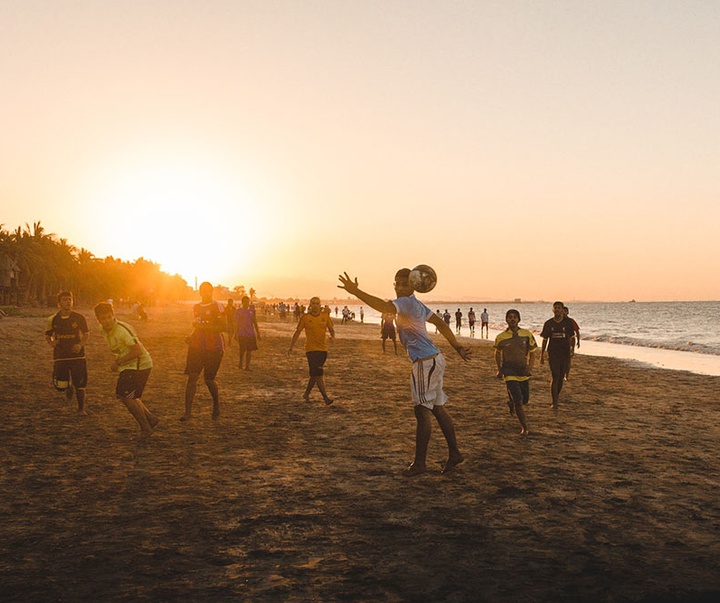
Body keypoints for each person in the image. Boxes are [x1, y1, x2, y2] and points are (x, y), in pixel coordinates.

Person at [338, 269, 471, 477]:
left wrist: (356, 292)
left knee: (422, 411)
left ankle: (420, 464)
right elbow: (440, 323)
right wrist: (457, 347)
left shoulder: (408, 303)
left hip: (425, 363)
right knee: (437, 409)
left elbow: (383, 306)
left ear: (414, 285)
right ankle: (454, 454)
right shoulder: (416, 304)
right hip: (435, 360)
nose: (400, 287)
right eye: (397, 284)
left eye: (404, 284)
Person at [94, 302, 158, 436]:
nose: (107, 321)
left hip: (140, 365)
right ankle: (150, 418)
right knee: (126, 395)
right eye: (103, 318)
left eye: (108, 317)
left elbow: (138, 350)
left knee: (126, 396)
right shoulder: (102, 328)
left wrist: (117, 362)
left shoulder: (122, 330)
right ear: (98, 319)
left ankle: (146, 428)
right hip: (128, 365)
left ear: (113, 315)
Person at [181, 282, 226, 421]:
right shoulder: (196, 307)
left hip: (214, 348)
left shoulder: (217, 306)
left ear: (212, 292)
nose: (206, 293)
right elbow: (197, 325)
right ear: (200, 292)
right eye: (203, 291)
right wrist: (191, 335)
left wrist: (202, 327)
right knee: (192, 378)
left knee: (209, 379)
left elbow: (223, 327)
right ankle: (188, 412)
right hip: (196, 347)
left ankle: (216, 405)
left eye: (208, 291)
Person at [494, 309, 537, 436]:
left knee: (525, 400)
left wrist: (530, 367)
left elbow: (532, 352)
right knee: (519, 401)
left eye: (515, 317)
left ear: (519, 319)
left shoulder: (527, 334)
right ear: (506, 320)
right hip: (509, 372)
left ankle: (511, 402)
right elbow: (496, 352)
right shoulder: (501, 337)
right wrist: (499, 369)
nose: (512, 319)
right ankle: (524, 427)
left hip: (523, 371)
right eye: (510, 317)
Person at [45, 291, 89, 414]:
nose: (68, 302)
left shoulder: (79, 318)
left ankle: (81, 409)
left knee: (80, 384)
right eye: (65, 300)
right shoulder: (53, 319)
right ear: (59, 303)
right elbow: (48, 336)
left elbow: (86, 334)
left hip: (77, 356)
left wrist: (80, 345)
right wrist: (52, 343)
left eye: (70, 299)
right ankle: (68, 385)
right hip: (60, 356)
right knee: (60, 386)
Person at [288, 297, 335, 405]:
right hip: (311, 350)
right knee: (318, 374)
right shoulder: (305, 318)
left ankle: (306, 393)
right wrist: (291, 346)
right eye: (313, 303)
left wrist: (333, 337)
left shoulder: (325, 316)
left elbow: (332, 330)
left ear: (320, 305)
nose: (315, 305)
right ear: (310, 305)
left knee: (314, 374)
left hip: (323, 350)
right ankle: (325, 398)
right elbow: (297, 332)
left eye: (317, 303)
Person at [540, 301, 576, 410]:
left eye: (559, 308)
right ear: (552, 310)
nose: (557, 310)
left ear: (562, 310)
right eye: (555, 308)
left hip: (564, 353)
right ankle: (554, 402)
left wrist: (572, 349)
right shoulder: (549, 323)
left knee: (560, 377)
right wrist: (541, 354)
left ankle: (557, 397)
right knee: (555, 376)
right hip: (553, 353)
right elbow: (545, 340)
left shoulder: (568, 323)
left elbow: (572, 337)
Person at [235, 295, 261, 370]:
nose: (247, 303)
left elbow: (255, 322)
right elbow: (236, 323)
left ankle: (247, 366)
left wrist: (258, 333)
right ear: (242, 302)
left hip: (250, 333)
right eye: (245, 302)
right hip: (241, 333)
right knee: (242, 350)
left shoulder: (252, 311)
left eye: (248, 302)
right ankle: (240, 363)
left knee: (249, 350)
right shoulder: (238, 311)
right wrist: (235, 333)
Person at [563, 305, 581, 381]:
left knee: (568, 359)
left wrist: (578, 341)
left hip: (570, 342)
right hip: (560, 342)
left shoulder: (571, 321)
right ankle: (562, 373)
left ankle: (566, 375)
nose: (563, 313)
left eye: (565, 311)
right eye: (562, 311)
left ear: (567, 312)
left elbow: (577, 331)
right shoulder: (557, 321)